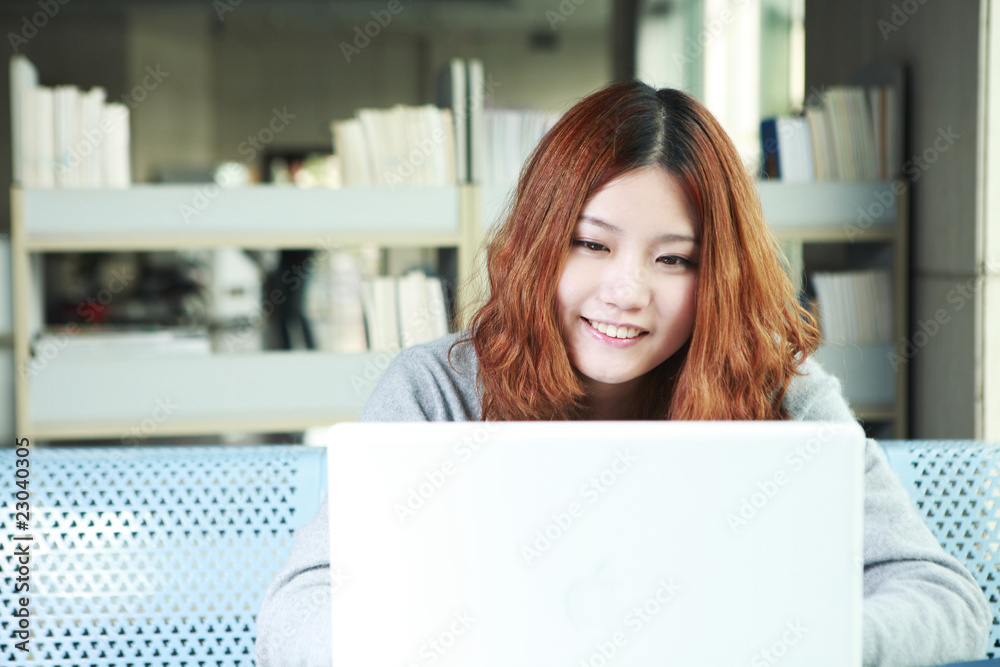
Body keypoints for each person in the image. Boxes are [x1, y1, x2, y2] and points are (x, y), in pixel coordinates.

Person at [255, 81, 990, 666]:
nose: (628, 290)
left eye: (674, 259)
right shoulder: (437, 387)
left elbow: (946, 597)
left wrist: (790, 645)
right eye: (592, 245)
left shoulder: (781, 392)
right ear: (539, 245)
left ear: (718, 274)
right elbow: (295, 614)